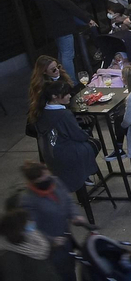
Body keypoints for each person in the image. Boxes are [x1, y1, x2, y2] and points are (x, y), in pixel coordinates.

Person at [14, 163, 95, 281]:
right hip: (47, 244)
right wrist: (51, 240)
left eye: (47, 174)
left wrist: (74, 215)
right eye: (43, 177)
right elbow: (31, 228)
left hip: (64, 236)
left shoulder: (55, 182)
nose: (48, 178)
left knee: (67, 268)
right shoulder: (28, 201)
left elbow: (67, 200)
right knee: (56, 272)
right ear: (34, 180)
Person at [33, 80, 103, 209]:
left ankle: (83, 176)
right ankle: (84, 175)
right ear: (55, 97)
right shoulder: (64, 114)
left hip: (50, 155)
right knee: (95, 143)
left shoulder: (40, 111)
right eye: (66, 94)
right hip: (68, 155)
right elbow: (79, 135)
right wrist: (86, 132)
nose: (70, 96)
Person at [27, 0, 91, 79]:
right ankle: (71, 82)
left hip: (51, 23)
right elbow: (68, 5)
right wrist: (87, 18)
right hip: (62, 24)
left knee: (62, 54)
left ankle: (62, 79)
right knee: (67, 54)